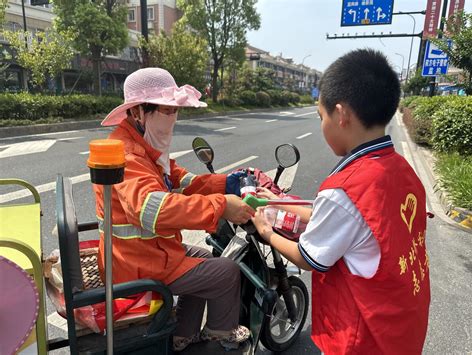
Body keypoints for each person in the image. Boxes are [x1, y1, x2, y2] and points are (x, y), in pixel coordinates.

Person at [252, 49, 430, 354]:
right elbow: (348, 219)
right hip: (401, 322)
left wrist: (266, 231)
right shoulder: (399, 169)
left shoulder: (345, 188)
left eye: (321, 117)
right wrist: (278, 202)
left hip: (363, 335)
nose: (322, 126)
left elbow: (308, 258)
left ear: (342, 114)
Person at [93, 67, 254, 352]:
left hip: (146, 252)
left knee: (205, 257)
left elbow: (181, 180)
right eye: (166, 110)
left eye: (174, 110)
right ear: (139, 112)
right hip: (136, 264)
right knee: (227, 272)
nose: (172, 118)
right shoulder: (128, 154)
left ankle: (183, 335)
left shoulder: (145, 146)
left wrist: (228, 183)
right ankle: (221, 334)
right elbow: (153, 210)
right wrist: (221, 207)